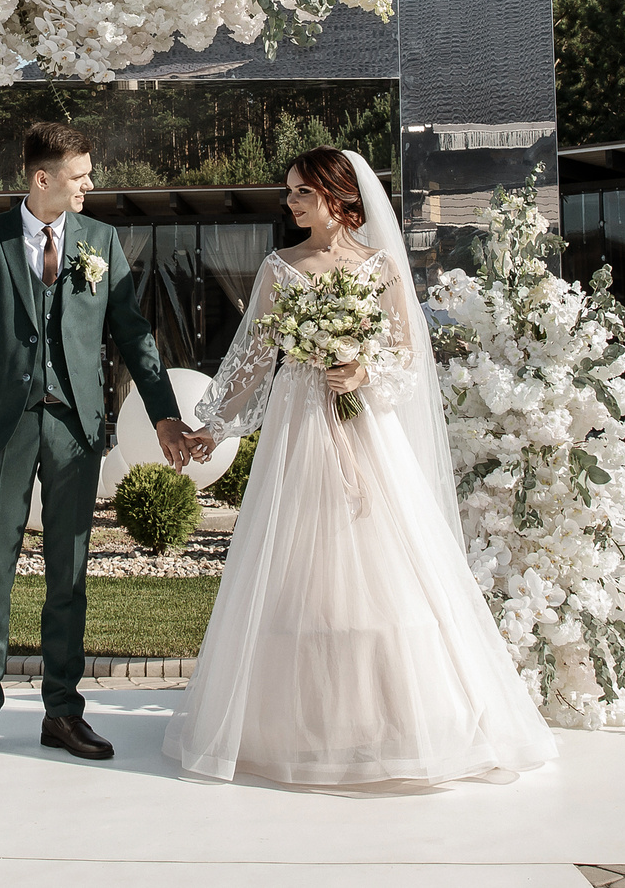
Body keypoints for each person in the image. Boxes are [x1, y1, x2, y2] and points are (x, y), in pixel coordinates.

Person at [165, 147, 556, 788]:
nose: (289, 203)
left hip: (365, 429)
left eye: (301, 193)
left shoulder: (379, 268)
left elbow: (406, 354)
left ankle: (399, 722)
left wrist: (362, 368)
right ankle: (299, 726)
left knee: (388, 565)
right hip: (298, 432)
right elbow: (254, 359)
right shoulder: (278, 266)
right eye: (288, 192)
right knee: (301, 571)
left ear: (339, 198)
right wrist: (212, 425)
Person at [0, 121, 195, 764]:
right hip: (3, 427)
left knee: (70, 569)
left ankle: (62, 711)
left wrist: (163, 414)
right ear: (41, 179)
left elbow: (133, 335)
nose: (89, 186)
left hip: (76, 426)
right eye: (79, 176)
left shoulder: (100, 240)